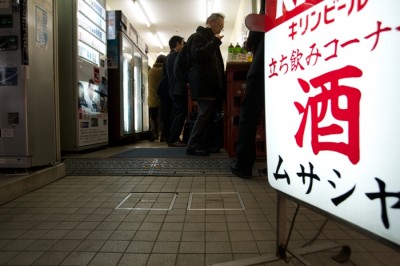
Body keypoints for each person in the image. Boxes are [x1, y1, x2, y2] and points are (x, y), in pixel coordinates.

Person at [230, 3, 265, 179]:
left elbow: (259, 28)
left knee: (248, 114)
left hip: (263, 64)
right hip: (287, 63)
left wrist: (250, 42)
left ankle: (243, 165)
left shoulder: (270, 4)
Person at [185, 13, 225, 156]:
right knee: (204, 114)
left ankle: (202, 144)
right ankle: (193, 145)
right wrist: (214, 42)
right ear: (210, 22)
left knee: (207, 115)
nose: (220, 29)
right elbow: (197, 55)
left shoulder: (210, 40)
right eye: (219, 25)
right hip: (203, 84)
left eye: (222, 27)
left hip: (210, 85)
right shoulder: (197, 37)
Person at [165, 36, 188, 147]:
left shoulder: (169, 57)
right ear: (177, 44)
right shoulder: (176, 56)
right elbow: (180, 72)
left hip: (173, 89)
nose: (183, 46)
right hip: (178, 89)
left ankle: (172, 138)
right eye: (182, 44)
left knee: (176, 114)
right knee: (180, 114)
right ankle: (173, 139)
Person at [148, 54, 166, 141]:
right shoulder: (164, 71)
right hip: (162, 98)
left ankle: (154, 134)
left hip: (152, 99)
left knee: (153, 117)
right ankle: (163, 135)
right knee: (163, 117)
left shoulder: (150, 71)